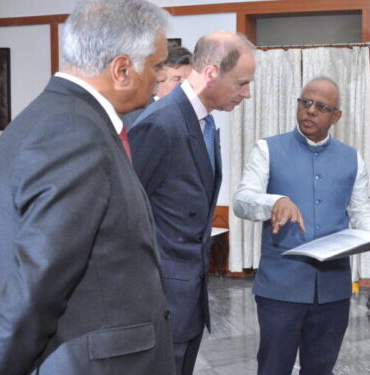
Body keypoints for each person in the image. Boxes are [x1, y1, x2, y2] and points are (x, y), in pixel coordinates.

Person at [0, 0, 175, 374]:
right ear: (122, 69)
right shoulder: (74, 133)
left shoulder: (49, 118)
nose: (160, 77)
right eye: (157, 65)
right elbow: (37, 284)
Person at [233, 77, 370, 375]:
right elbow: (242, 200)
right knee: (273, 368)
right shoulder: (267, 149)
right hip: (280, 288)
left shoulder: (352, 158)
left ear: (336, 116)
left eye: (321, 107)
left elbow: (361, 212)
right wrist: (274, 202)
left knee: (321, 368)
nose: (310, 111)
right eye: (305, 102)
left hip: (333, 289)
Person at [128, 30, 255, 375]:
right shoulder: (160, 125)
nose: (247, 93)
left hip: (188, 299)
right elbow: (125, 217)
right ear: (212, 73)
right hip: (158, 303)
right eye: (242, 83)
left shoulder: (204, 121)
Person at [122, 44, 193, 128]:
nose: (185, 86)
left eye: (189, 79)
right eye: (177, 79)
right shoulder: (136, 116)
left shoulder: (193, 113)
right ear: (158, 77)